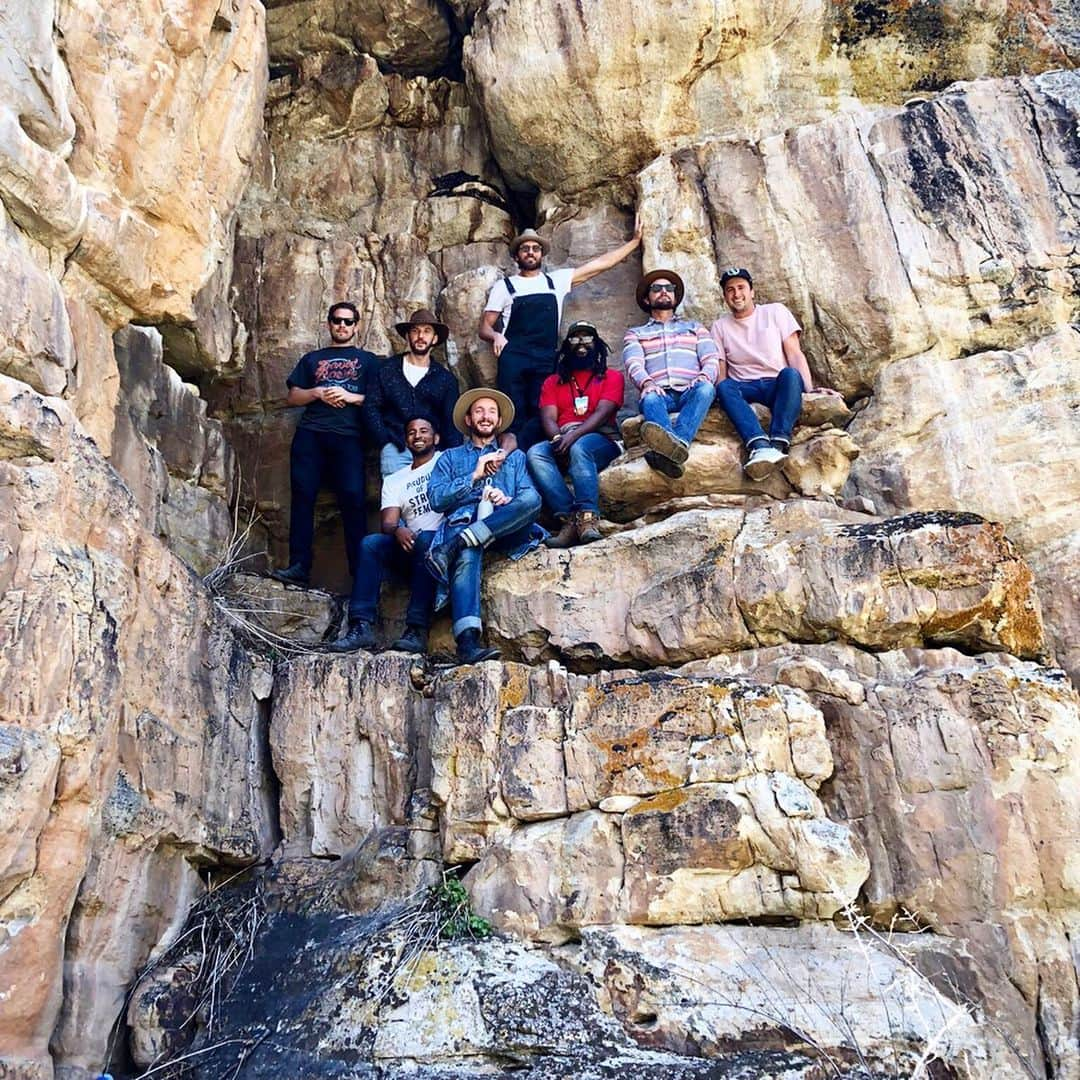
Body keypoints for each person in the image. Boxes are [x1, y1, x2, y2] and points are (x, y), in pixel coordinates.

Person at [479, 221, 641, 449]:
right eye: (525, 249)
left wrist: (633, 243)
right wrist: (495, 336)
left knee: (542, 413)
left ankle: (536, 459)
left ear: (541, 254)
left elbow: (598, 266)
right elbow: (484, 327)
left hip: (545, 357)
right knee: (512, 414)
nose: (530, 252)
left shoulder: (554, 281)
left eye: (535, 248)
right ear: (516, 256)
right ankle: (509, 460)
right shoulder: (504, 286)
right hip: (513, 357)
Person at [426, 389, 543, 664]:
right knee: (468, 551)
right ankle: (467, 643)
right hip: (466, 524)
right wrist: (474, 476)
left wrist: (507, 500)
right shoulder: (450, 458)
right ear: (468, 419)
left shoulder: (514, 457)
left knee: (532, 498)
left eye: (491, 411)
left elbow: (528, 499)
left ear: (499, 420)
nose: (485, 416)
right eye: (479, 411)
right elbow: (435, 498)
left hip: (505, 528)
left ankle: (456, 544)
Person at [272, 301, 379, 586]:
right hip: (311, 434)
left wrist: (349, 396)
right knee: (303, 499)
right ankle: (299, 566)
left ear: (356, 326)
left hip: (349, 438)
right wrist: (317, 392)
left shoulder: (369, 361)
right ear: (329, 324)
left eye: (348, 321)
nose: (342, 326)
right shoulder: (312, 359)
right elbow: (293, 396)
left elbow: (381, 399)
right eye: (337, 321)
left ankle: (360, 572)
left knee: (354, 501)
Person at [328, 415, 444, 654]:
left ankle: (416, 629)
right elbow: (388, 522)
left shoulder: (447, 461)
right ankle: (361, 625)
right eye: (412, 432)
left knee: (426, 538)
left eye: (424, 430)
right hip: (412, 550)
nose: (418, 436)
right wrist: (398, 529)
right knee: (371, 543)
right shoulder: (395, 480)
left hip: (442, 545)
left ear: (436, 438)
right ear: (406, 440)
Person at [710, 268, 839, 480]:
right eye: (730, 290)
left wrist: (810, 390)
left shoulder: (775, 312)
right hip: (745, 387)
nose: (736, 294)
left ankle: (778, 443)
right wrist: (721, 398)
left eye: (741, 287)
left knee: (790, 374)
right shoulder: (720, 326)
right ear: (725, 297)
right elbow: (721, 371)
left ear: (752, 291)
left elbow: (795, 354)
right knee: (723, 387)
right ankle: (759, 445)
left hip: (775, 384)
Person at [526, 322, 623, 547]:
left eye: (587, 338)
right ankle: (570, 519)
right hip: (564, 437)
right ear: (566, 346)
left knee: (581, 447)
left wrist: (573, 437)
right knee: (536, 453)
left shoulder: (611, 376)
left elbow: (603, 412)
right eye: (575, 338)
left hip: (602, 438)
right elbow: (548, 417)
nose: (581, 343)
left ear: (597, 344)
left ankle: (588, 517)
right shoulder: (553, 381)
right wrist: (558, 439)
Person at [622, 270, 719, 479]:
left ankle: (672, 448)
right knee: (649, 399)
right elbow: (633, 363)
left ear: (675, 297)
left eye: (669, 288)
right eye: (656, 289)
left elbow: (711, 358)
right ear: (647, 299)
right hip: (659, 393)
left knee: (707, 388)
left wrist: (703, 376)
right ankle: (675, 451)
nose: (664, 292)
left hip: (690, 390)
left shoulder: (695, 327)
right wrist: (647, 382)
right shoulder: (636, 333)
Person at [363, 308, 462, 478]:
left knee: (428, 502)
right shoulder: (387, 369)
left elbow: (450, 422)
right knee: (394, 500)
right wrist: (385, 440)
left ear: (435, 338)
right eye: (415, 331)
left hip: (432, 451)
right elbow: (371, 406)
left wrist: (453, 457)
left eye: (426, 331)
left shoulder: (445, 379)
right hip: (396, 447)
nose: (420, 336)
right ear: (408, 336)